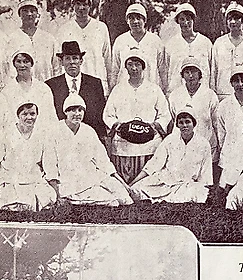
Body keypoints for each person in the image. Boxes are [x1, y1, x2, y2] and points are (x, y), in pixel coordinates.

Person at [54, 93, 134, 206]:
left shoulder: (88, 131)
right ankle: (75, 200)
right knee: (113, 202)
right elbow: (50, 164)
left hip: (93, 174)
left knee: (125, 199)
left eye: (80, 110)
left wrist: (122, 183)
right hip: (70, 180)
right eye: (72, 110)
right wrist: (57, 193)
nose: (77, 114)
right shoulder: (55, 130)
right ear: (65, 112)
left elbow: (102, 160)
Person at [103, 48, 169, 184]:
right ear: (125, 67)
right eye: (130, 64)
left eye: (137, 64)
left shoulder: (154, 89)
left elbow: (164, 114)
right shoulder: (118, 89)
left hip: (149, 143)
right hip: (124, 144)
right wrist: (118, 125)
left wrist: (154, 126)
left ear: (143, 67)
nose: (134, 68)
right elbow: (108, 115)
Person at [131, 106, 213, 203]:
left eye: (187, 122)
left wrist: (204, 187)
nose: (184, 125)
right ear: (177, 125)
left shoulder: (203, 143)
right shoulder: (170, 140)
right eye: (181, 122)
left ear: (194, 124)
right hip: (165, 181)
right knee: (137, 188)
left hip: (186, 184)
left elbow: (205, 171)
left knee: (199, 193)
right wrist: (133, 183)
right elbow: (154, 163)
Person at [0, 101, 60, 211]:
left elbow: (49, 163)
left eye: (32, 114)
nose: (29, 117)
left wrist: (54, 186)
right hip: (11, 180)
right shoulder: (5, 134)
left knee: (47, 197)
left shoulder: (43, 135)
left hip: (34, 180)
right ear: (18, 115)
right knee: (11, 200)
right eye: (25, 114)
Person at [46, 40, 108, 141]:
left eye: (75, 58)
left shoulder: (94, 83)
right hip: (61, 138)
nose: (71, 62)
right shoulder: (52, 85)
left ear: (81, 61)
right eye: (67, 59)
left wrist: (101, 138)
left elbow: (100, 113)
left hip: (89, 138)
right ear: (61, 62)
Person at [57, 0, 112, 94]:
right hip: (73, 86)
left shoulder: (101, 27)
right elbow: (59, 63)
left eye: (85, 4)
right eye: (78, 4)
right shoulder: (64, 29)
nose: (81, 8)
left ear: (90, 6)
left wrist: (109, 87)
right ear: (73, 5)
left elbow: (108, 60)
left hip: (97, 85)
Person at [167, 57, 220, 166]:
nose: (190, 76)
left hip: (205, 143)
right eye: (187, 72)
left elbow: (216, 123)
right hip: (181, 146)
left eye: (194, 72)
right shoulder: (175, 95)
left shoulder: (210, 95)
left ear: (200, 74)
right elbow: (172, 119)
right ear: (182, 75)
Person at [111, 2, 168, 94]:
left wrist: (164, 91)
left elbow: (163, 70)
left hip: (150, 92)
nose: (135, 21)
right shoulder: (120, 41)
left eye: (139, 18)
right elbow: (115, 70)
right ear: (127, 21)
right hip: (126, 91)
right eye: (131, 18)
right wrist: (112, 91)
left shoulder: (155, 41)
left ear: (144, 20)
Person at [210, 2, 243, 100]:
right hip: (224, 94)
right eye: (230, 19)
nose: (233, 22)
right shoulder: (219, 43)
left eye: (236, 18)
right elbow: (214, 71)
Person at [1, 47, 59, 130]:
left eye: (26, 62)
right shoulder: (7, 90)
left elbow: (51, 117)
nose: (22, 65)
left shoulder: (43, 89)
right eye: (19, 61)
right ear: (14, 64)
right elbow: (6, 119)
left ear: (31, 64)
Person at [6, 0, 59, 82]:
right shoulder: (12, 39)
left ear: (37, 13)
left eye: (32, 11)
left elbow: (56, 67)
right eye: (25, 11)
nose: (29, 14)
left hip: (46, 86)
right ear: (19, 14)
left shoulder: (49, 38)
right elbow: (9, 69)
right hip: (22, 88)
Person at [164, 2, 214, 94]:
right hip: (177, 93)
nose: (186, 23)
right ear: (178, 21)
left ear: (193, 20)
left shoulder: (205, 42)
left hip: (202, 94)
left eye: (189, 19)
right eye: (182, 19)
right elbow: (165, 70)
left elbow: (212, 69)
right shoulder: (171, 44)